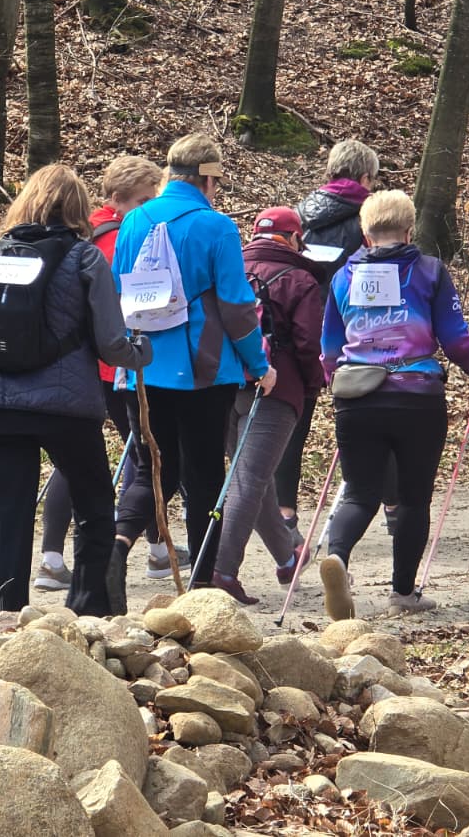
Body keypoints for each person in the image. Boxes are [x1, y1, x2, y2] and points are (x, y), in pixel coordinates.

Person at [0, 165, 151, 615]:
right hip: (67, 408)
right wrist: (141, 353)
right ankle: (86, 609)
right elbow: (111, 343)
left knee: (7, 515)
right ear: (78, 207)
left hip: (0, 405)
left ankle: (6, 615)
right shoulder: (85, 258)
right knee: (95, 505)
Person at [111, 134, 276, 609]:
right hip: (202, 370)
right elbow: (237, 305)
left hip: (142, 369)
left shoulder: (134, 220)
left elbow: (119, 287)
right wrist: (259, 364)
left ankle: (115, 551)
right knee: (204, 476)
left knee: (152, 471)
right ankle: (203, 586)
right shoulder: (216, 226)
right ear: (207, 178)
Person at [317, 191, 469, 619]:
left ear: (365, 233)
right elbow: (455, 338)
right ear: (410, 231)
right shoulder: (429, 272)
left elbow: (329, 347)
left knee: (360, 492)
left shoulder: (343, 277)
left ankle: (337, 556)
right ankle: (402, 594)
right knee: (414, 497)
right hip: (416, 397)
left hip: (357, 397)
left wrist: (333, 380)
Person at [33, 155, 161, 592]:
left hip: (83, 364)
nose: (148, 208)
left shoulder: (81, 234)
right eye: (142, 200)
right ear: (117, 199)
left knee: (73, 461)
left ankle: (51, 557)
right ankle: (153, 549)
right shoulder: (122, 238)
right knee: (146, 456)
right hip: (117, 364)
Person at [207, 207, 326, 605]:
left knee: (252, 477)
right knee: (250, 480)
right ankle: (222, 572)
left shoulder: (229, 268)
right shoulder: (300, 279)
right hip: (277, 388)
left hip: (223, 383)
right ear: (294, 238)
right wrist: (311, 385)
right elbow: (309, 344)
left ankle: (288, 557)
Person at [280, 139, 380, 530]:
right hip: (354, 328)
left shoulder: (298, 215)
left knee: (294, 421)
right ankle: (389, 505)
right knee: (367, 417)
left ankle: (285, 511)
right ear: (365, 177)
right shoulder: (372, 217)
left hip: (299, 325)